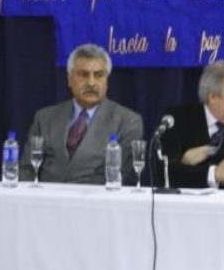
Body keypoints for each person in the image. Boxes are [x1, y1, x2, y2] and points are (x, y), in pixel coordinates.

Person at [20, 44, 144, 184]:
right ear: (69, 79)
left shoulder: (127, 121)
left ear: (107, 82)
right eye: (83, 75)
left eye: (98, 75)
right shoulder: (44, 118)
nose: (91, 83)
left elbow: (123, 177)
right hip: (46, 200)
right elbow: (27, 170)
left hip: (96, 202)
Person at [159, 59, 224, 189]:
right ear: (213, 97)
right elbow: (162, 173)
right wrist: (215, 173)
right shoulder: (176, 119)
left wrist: (209, 156)